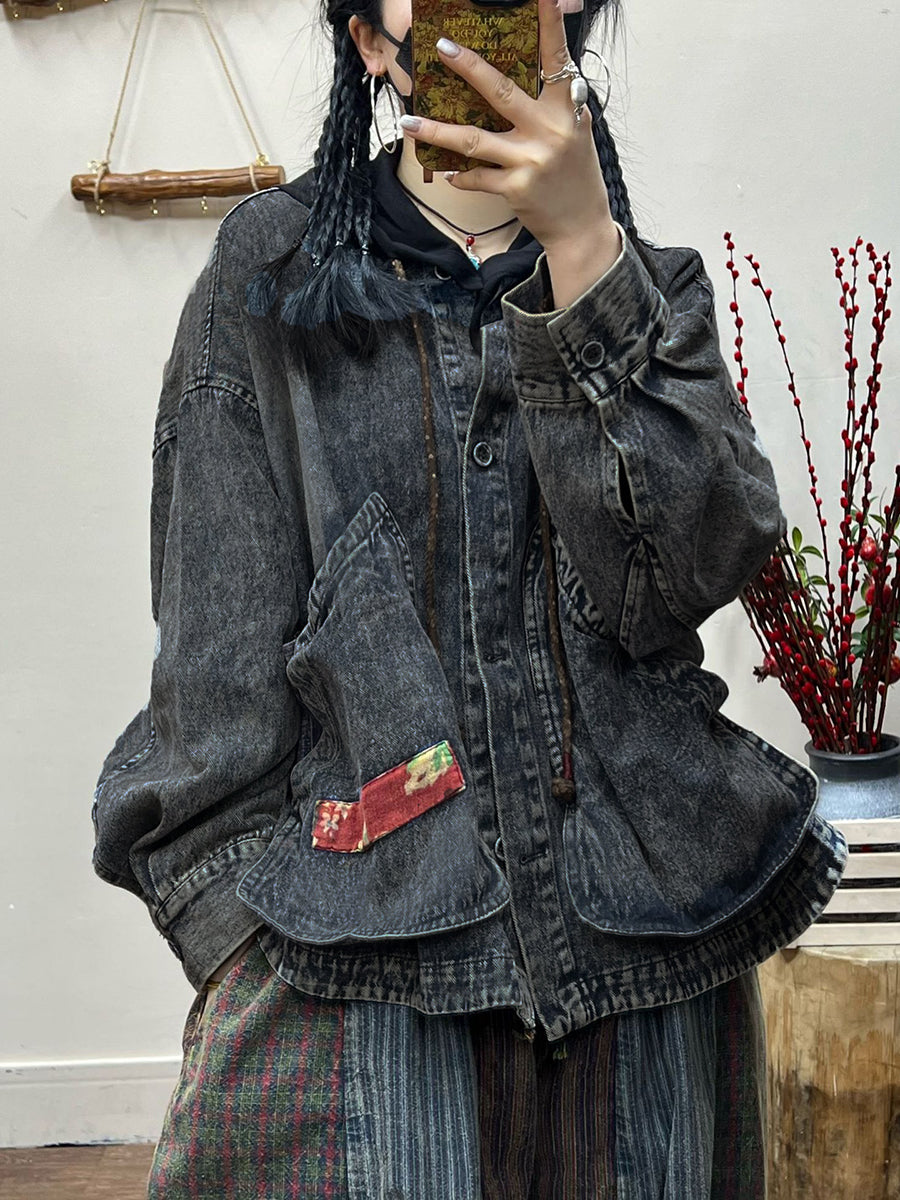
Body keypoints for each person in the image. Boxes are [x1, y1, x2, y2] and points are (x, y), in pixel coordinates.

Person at [91, 0, 847, 1195]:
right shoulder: (269, 279)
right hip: (353, 977)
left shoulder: (651, 291)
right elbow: (213, 681)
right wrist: (238, 936)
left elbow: (681, 583)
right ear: (368, 39)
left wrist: (586, 255)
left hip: (644, 974)